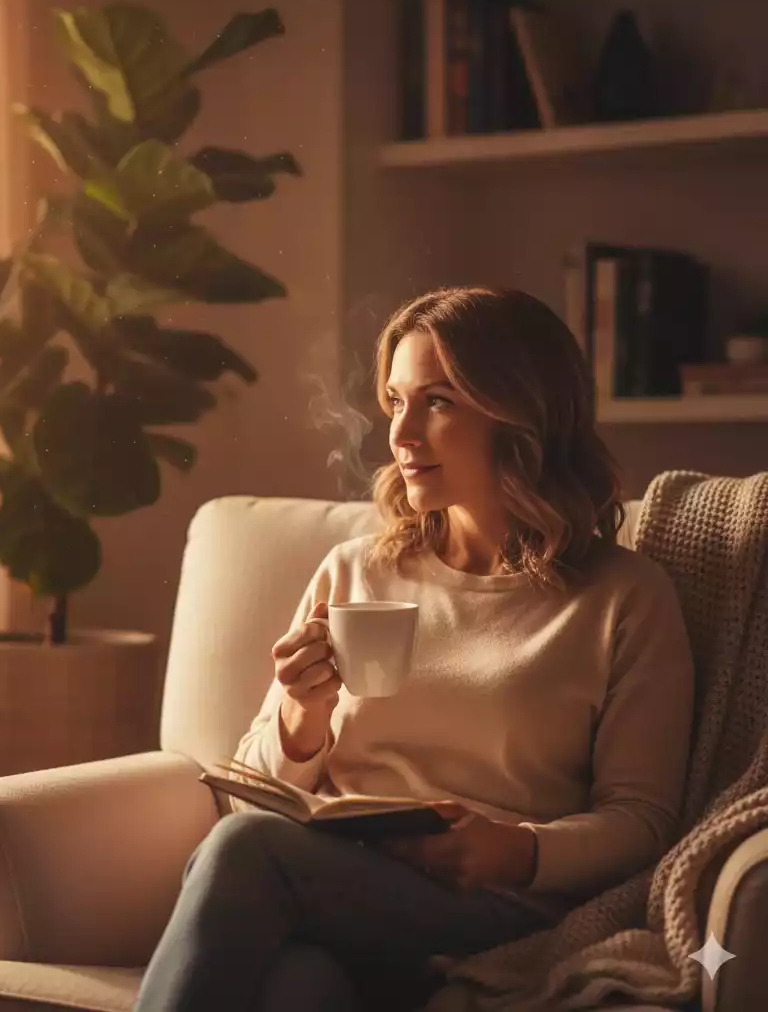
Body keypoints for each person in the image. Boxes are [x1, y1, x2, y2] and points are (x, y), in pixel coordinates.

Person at [134, 287, 696, 1012]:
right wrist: (303, 717)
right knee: (296, 989)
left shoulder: (624, 597)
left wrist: (518, 850)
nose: (401, 435)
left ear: (519, 411)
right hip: (334, 890)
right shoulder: (356, 570)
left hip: (497, 909)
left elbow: (644, 822)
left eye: (437, 402)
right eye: (395, 401)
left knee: (245, 858)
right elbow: (250, 787)